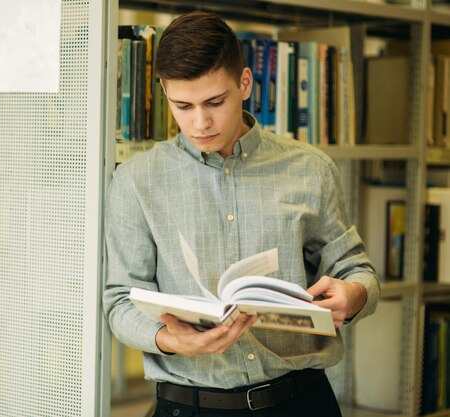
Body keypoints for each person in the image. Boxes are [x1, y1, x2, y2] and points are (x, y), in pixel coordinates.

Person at [103, 11, 379, 417]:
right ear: (164, 92)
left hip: (300, 402)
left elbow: (356, 270)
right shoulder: (136, 182)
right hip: (190, 404)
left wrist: (355, 295)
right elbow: (119, 301)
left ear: (245, 83)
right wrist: (169, 339)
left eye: (215, 101)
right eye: (183, 105)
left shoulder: (310, 168)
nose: (200, 122)